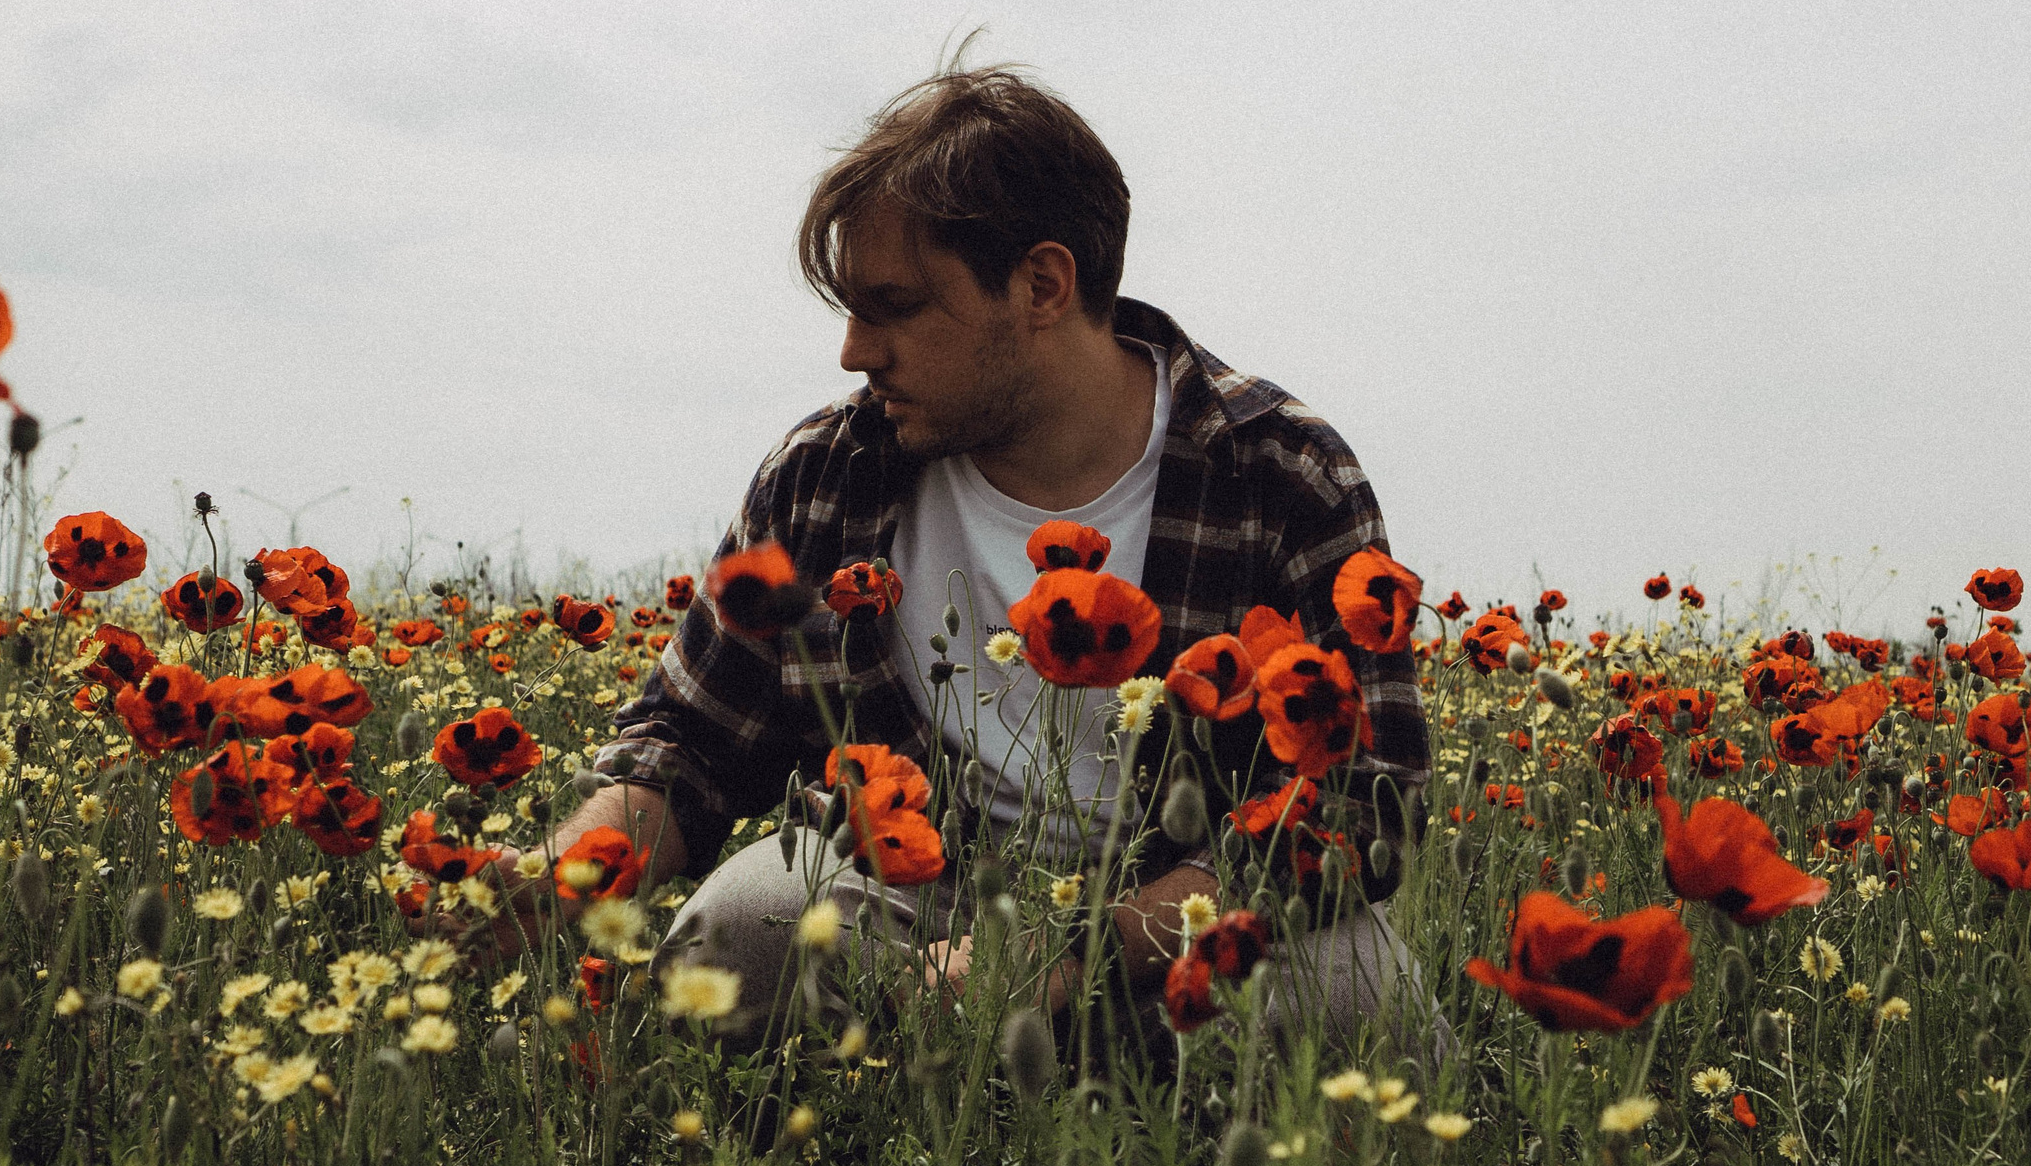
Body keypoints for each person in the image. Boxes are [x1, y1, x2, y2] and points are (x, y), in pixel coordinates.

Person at [458, 62, 1438, 1059]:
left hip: (1169, 918)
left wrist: (1061, 961)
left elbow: (1360, 811)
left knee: (1349, 1003)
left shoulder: (1276, 472)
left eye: (893, 306)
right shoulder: (829, 474)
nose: (853, 351)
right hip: (916, 902)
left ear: (1041, 286)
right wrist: (566, 872)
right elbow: (694, 741)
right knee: (743, 930)